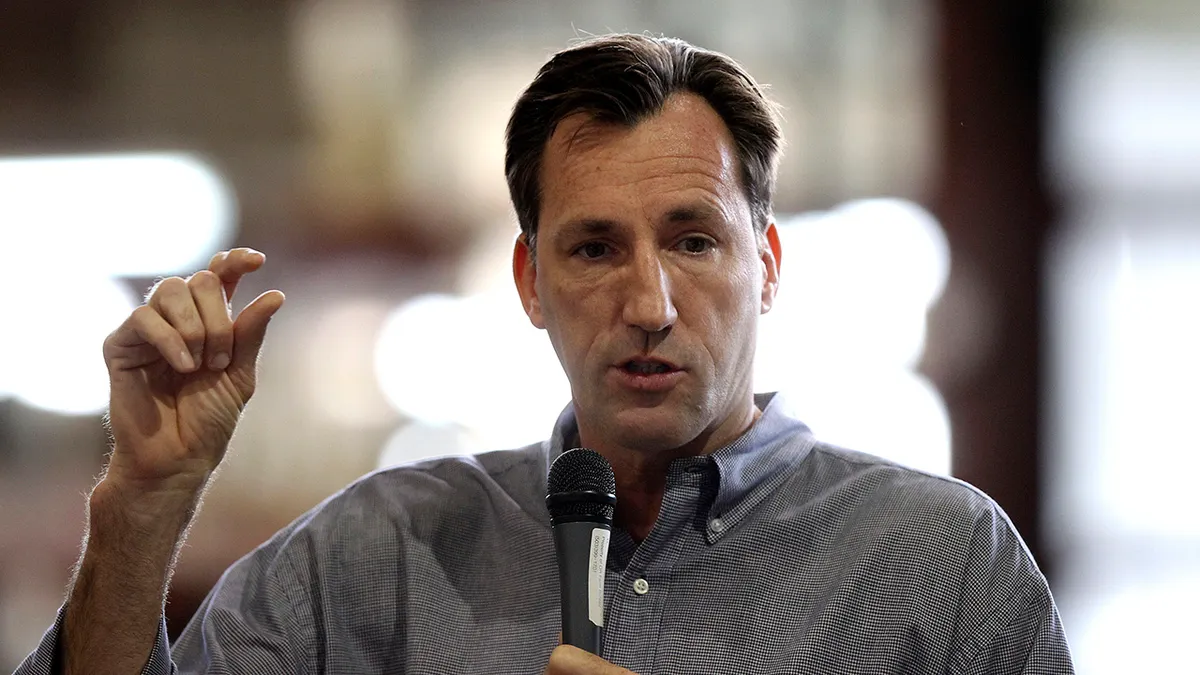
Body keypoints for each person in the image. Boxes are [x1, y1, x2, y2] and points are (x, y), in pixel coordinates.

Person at [16, 33, 1074, 674]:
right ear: (530, 280)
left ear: (767, 265)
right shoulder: (376, 560)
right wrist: (142, 502)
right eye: (595, 249)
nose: (649, 304)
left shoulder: (941, 567)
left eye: (693, 241)